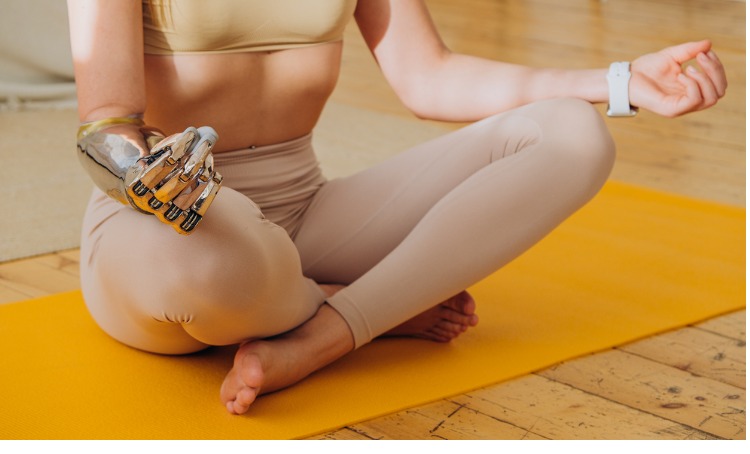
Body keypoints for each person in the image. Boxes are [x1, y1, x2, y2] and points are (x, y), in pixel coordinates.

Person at [66, 0, 727, 416]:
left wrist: (620, 83)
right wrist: (156, 176)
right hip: (166, 231)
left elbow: (429, 75)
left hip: (304, 212)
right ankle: (368, 300)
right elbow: (105, 125)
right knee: (217, 265)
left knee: (573, 134)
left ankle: (329, 332)